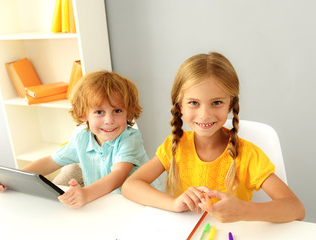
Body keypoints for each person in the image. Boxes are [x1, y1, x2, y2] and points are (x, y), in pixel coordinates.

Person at [122, 52, 305, 222]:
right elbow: (130, 186)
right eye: (194, 103)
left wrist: (243, 210)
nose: (205, 115)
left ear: (230, 104)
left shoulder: (247, 155)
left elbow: (296, 209)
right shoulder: (175, 146)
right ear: (180, 106)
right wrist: (173, 203)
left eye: (216, 102)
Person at [0, 71, 150, 208]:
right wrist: (12, 179)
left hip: (136, 204)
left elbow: (118, 176)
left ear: (128, 113)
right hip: (102, 202)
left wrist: (86, 194)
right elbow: (50, 161)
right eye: (99, 112)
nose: (109, 120)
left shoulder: (130, 138)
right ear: (83, 114)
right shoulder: (81, 137)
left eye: (117, 111)